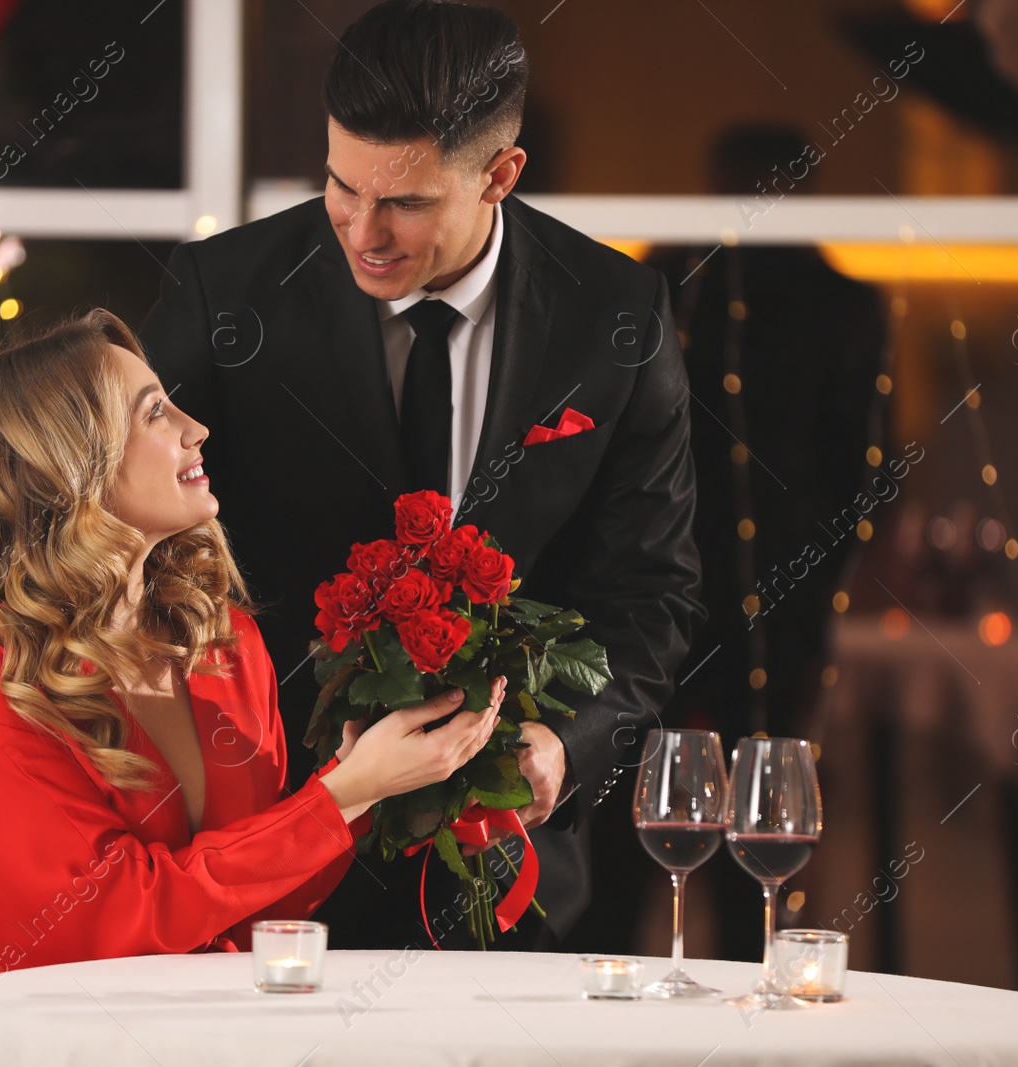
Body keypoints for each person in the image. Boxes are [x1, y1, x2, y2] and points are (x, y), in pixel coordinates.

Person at [139, 0, 702, 949]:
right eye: (341, 185)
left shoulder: (619, 318)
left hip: (506, 874)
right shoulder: (223, 295)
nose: (363, 231)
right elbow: (124, 539)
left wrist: (567, 742)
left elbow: (653, 595)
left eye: (404, 202)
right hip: (269, 860)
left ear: (501, 175)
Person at [0, 309, 506, 1019]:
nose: (195, 427)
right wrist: (336, 798)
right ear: (70, 461)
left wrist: (366, 789)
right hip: (52, 1039)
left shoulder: (220, 639)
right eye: (154, 412)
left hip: (204, 1031)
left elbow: (252, 909)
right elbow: (98, 924)